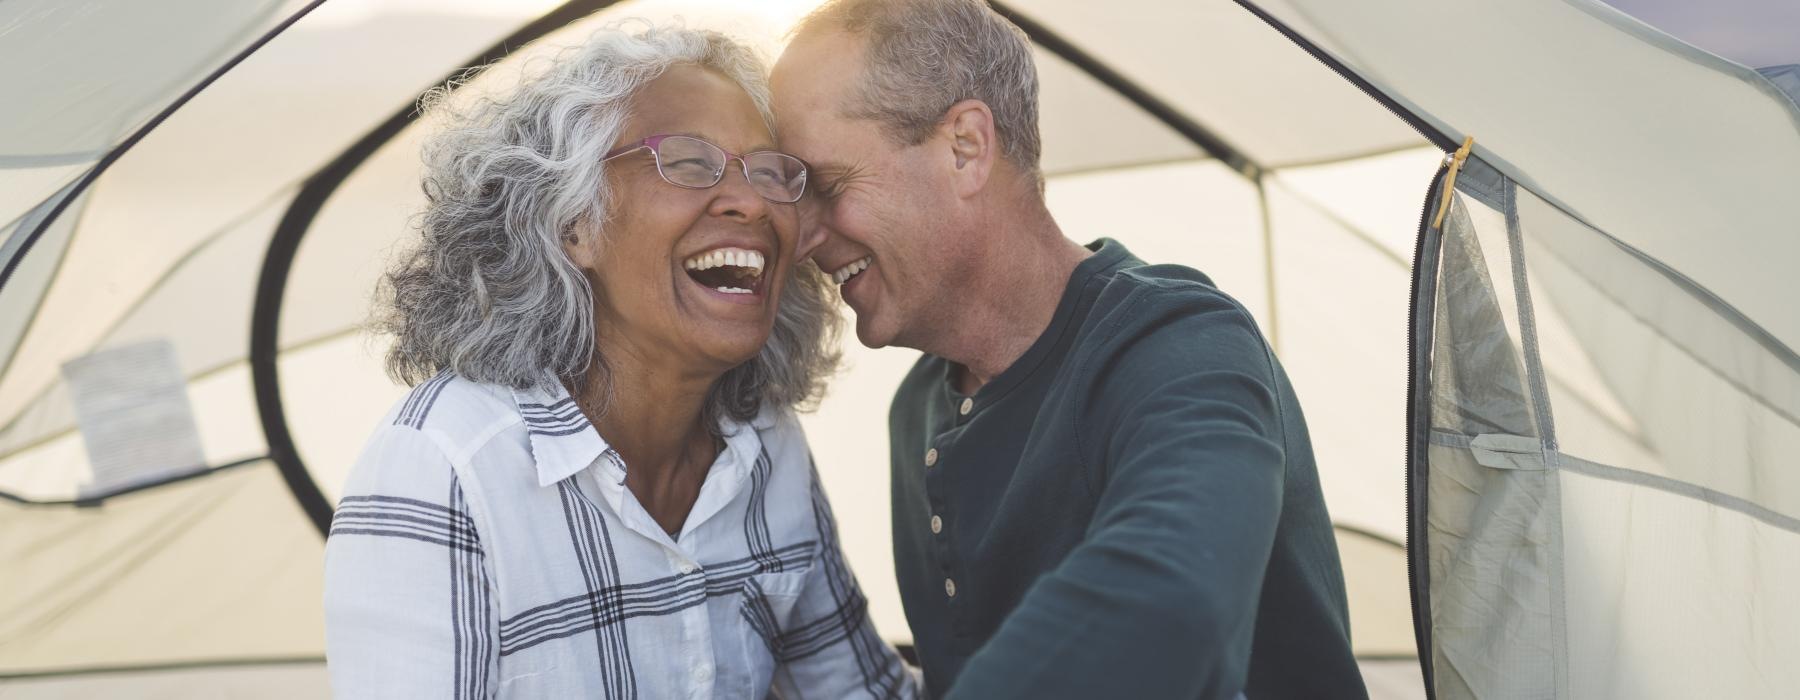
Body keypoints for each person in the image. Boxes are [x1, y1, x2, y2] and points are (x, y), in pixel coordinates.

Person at [771, 1, 1367, 698]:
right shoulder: (917, 413)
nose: (803, 236)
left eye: (827, 186)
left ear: (965, 147)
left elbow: (1170, 598)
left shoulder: (1180, 346)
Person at [323, 22, 914, 699]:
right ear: (573, 223)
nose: (750, 201)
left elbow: (859, 691)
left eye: (770, 173)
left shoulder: (765, 442)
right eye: (690, 162)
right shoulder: (444, 465)